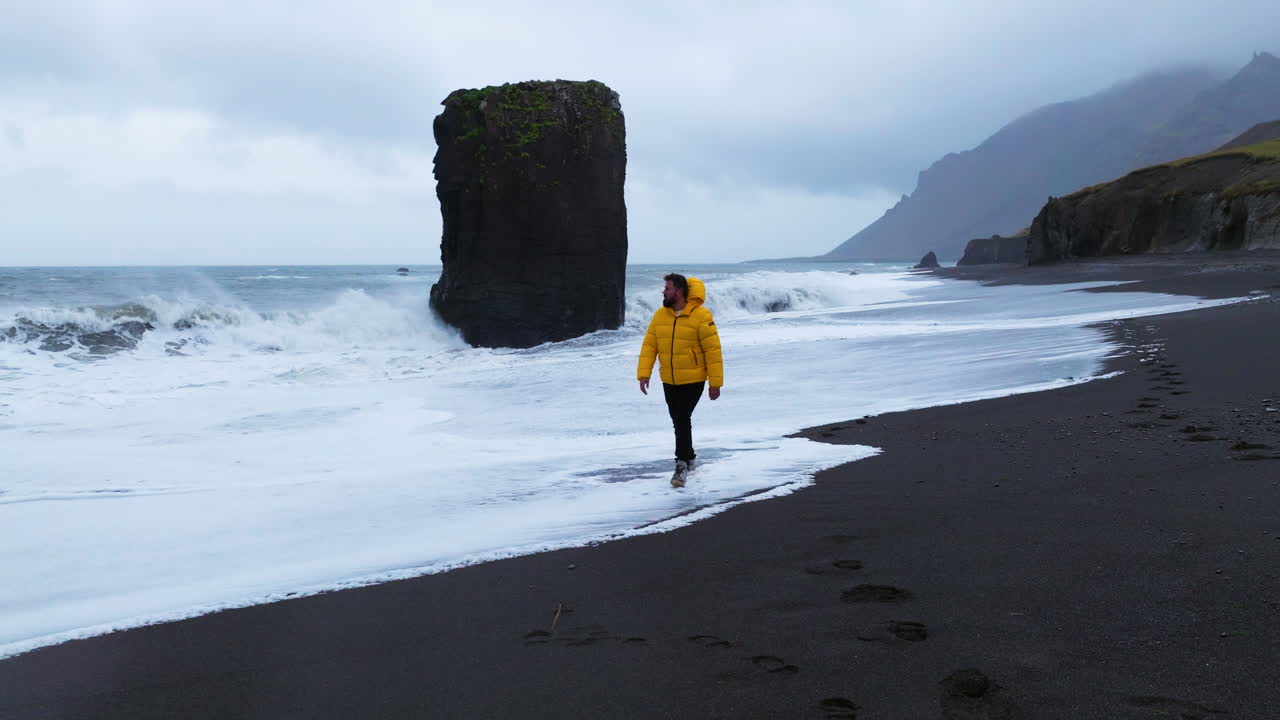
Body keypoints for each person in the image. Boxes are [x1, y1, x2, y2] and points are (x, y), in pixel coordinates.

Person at [636, 273, 724, 487]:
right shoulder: (660, 316)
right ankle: (690, 456)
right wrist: (643, 374)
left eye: (667, 288)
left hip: (693, 379)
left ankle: (681, 465)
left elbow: (713, 351)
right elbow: (650, 346)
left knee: (682, 418)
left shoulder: (702, 316)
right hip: (669, 378)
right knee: (679, 420)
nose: (663, 292)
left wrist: (715, 383)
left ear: (680, 291)